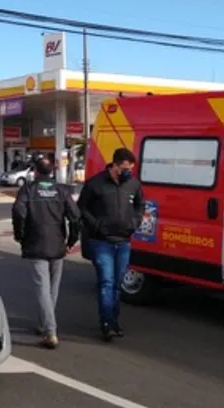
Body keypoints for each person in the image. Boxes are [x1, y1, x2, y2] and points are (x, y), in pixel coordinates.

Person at [12, 157, 80, 349]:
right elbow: (75, 217)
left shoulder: (28, 190)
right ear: (52, 172)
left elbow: (18, 212)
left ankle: (50, 331)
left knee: (42, 288)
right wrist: (71, 240)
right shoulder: (62, 190)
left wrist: (20, 235)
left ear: (35, 171)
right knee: (52, 289)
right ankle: (44, 324)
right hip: (57, 244)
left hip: (35, 244)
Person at [76, 147, 143, 342]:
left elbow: (140, 204)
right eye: (124, 167)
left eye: (130, 168)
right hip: (101, 242)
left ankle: (114, 320)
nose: (127, 171)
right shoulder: (96, 184)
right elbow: (82, 206)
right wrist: (96, 225)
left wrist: (135, 223)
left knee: (117, 284)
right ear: (114, 165)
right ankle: (106, 323)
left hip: (123, 242)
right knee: (106, 282)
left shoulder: (133, 184)